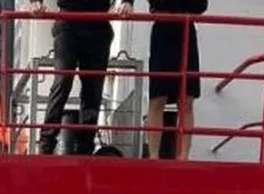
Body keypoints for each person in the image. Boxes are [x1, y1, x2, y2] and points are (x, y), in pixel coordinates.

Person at [34, 0, 133, 156]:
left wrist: (127, 2)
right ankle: (46, 142)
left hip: (98, 23)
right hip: (68, 21)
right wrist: (35, 2)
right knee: (62, 80)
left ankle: (85, 147)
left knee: (93, 88)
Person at [146, 0, 207, 159]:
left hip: (186, 29)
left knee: (187, 99)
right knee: (157, 97)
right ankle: (153, 156)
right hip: (163, 29)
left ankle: (184, 155)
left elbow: (201, 5)